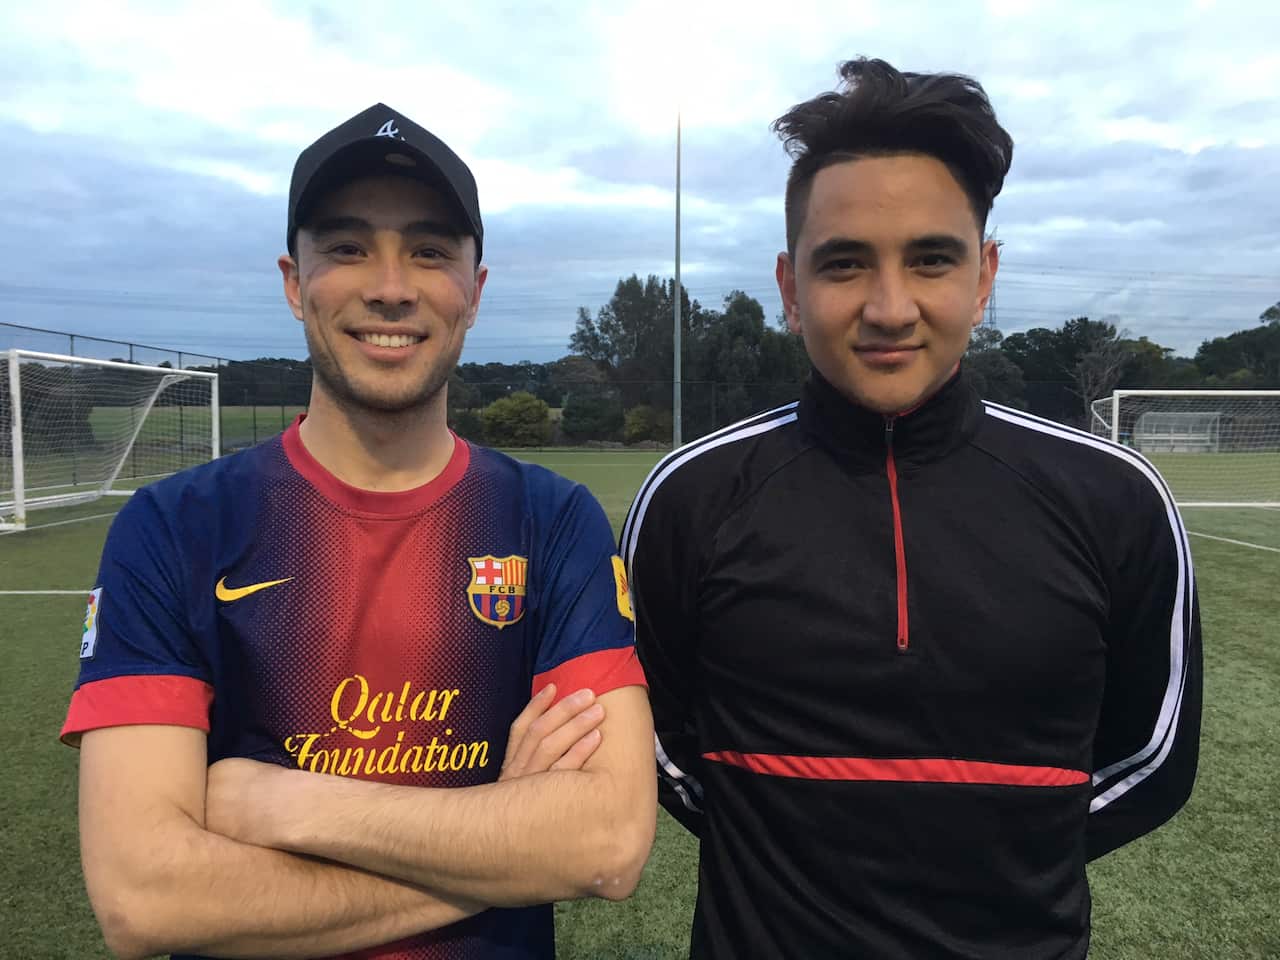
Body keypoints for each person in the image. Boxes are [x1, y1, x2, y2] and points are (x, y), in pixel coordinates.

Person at [622, 59, 1202, 959]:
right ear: (788, 286)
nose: (890, 308)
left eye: (931, 259)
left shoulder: (1115, 497)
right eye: (845, 264)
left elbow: (1153, 761)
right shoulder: (691, 497)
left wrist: (989, 854)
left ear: (984, 276)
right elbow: (657, 745)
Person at [62, 103, 655, 960]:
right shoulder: (172, 527)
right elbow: (146, 899)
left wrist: (283, 806)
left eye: (428, 250)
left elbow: (605, 843)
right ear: (294, 281)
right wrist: (505, 841)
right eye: (346, 248)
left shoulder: (551, 520)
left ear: (475, 291)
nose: (390, 285)